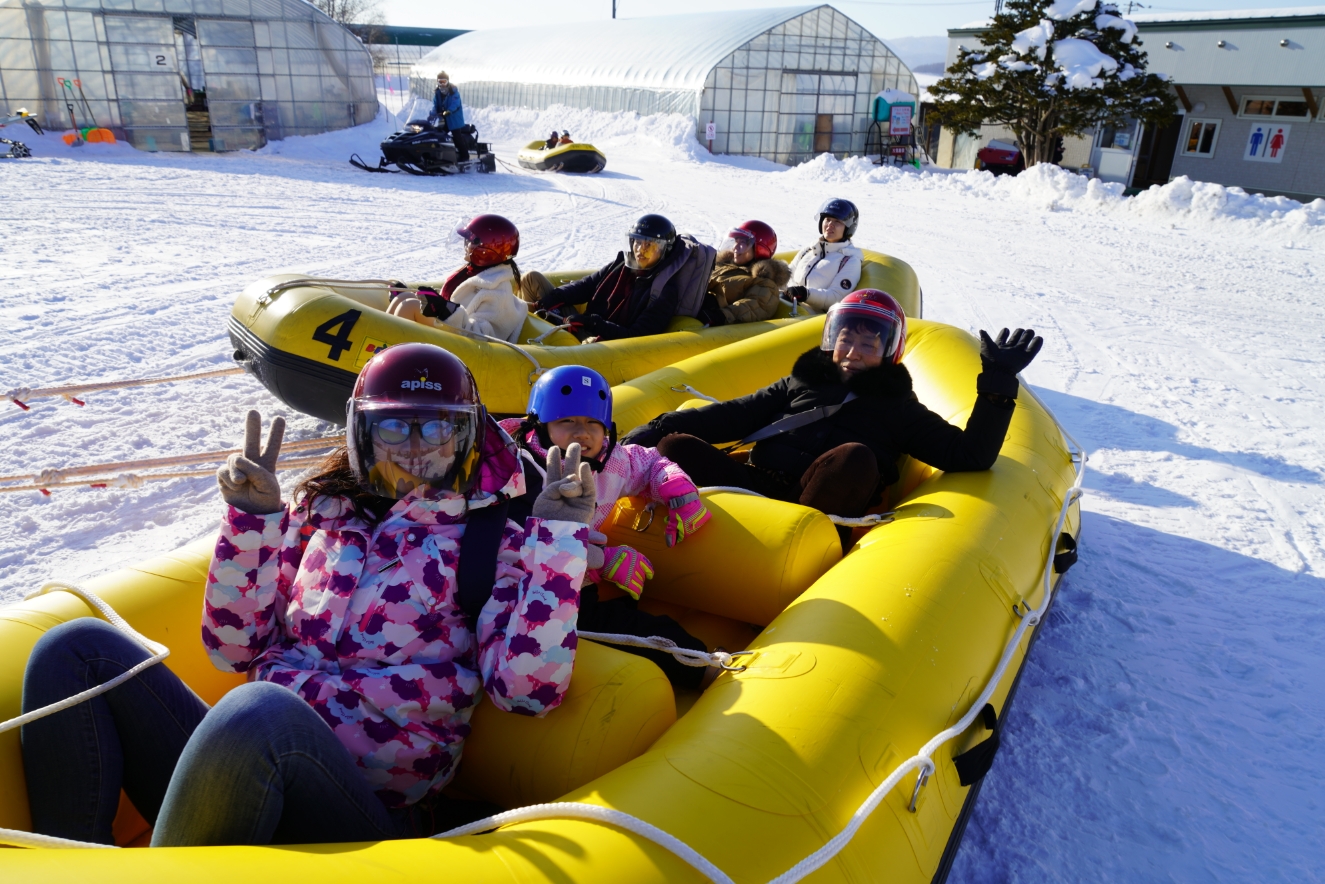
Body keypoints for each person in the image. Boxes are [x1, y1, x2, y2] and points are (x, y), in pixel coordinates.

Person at [20, 343, 596, 846]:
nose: (415, 447)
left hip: (357, 812)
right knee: (76, 650)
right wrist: (252, 522)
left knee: (263, 712)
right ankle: (69, 860)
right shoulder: (322, 513)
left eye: (437, 427)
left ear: (467, 435)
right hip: (243, 760)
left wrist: (560, 544)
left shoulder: (494, 540)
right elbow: (234, 650)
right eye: (394, 426)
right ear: (362, 434)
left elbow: (527, 693)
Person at [624, 290, 1043, 548]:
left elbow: (968, 454)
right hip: (762, 484)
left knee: (854, 457)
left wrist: (998, 383)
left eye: (868, 343)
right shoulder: (798, 382)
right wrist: (655, 429)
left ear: (889, 351)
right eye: (846, 338)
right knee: (674, 447)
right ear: (831, 338)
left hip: (817, 515)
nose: (853, 352)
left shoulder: (899, 406)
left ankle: (795, 551)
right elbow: (734, 415)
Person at [499, 365, 714, 688]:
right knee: (656, 636)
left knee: (633, 609)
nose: (581, 433)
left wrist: (675, 488)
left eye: (591, 424)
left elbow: (649, 461)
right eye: (566, 422)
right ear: (539, 426)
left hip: (580, 582)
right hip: (533, 599)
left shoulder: (609, 462)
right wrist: (601, 558)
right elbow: (512, 541)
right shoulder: (518, 470)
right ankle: (705, 669)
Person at [529, 214, 694, 341]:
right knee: (531, 279)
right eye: (637, 242)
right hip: (583, 324)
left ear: (665, 251)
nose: (640, 250)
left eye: (649, 245)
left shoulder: (664, 290)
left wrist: (594, 323)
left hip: (603, 343)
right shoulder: (621, 265)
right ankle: (524, 333)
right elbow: (585, 286)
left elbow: (636, 336)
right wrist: (552, 298)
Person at [387, 214, 529, 343]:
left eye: (471, 242)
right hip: (451, 332)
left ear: (488, 249)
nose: (466, 245)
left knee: (410, 306)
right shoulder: (471, 272)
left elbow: (484, 337)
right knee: (403, 298)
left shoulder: (499, 290)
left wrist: (446, 311)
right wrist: (429, 300)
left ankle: (389, 360)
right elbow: (452, 299)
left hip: (462, 346)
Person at [785, 198, 864, 312]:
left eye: (837, 221)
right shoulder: (809, 249)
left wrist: (806, 294)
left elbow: (836, 297)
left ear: (848, 228)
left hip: (808, 319)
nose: (830, 225)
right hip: (785, 303)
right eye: (827, 219)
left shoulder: (850, 260)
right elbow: (787, 275)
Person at [707, 220, 792, 324]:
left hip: (704, 316)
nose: (735, 248)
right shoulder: (722, 265)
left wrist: (722, 315)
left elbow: (754, 305)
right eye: (736, 241)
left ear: (760, 249)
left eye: (742, 243)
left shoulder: (764, 284)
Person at [428, 71, 474, 162]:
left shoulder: (453, 91)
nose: (442, 84)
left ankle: (465, 157)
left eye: (444, 82)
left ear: (448, 81)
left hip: (453, 118)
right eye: (440, 82)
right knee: (437, 135)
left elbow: (455, 104)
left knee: (457, 137)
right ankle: (439, 154)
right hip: (442, 119)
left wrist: (448, 111)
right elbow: (435, 104)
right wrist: (433, 113)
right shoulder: (437, 92)